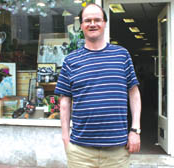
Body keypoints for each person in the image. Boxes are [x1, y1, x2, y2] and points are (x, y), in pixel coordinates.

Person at [54, 3, 141, 168]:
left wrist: (135, 130)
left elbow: (134, 93)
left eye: (97, 20)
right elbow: (65, 102)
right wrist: (66, 138)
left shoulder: (121, 55)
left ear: (104, 23)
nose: (92, 24)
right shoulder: (71, 61)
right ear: (81, 26)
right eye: (87, 20)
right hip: (80, 151)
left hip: (117, 151)